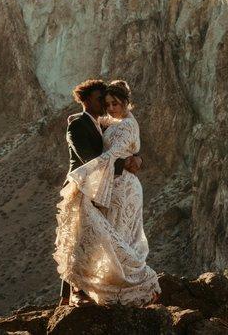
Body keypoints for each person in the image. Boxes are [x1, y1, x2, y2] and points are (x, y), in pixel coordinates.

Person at [53, 79, 161, 307]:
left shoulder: (101, 124)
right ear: (86, 101)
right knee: (79, 240)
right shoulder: (78, 124)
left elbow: (125, 141)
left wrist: (137, 158)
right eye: (100, 99)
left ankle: (80, 292)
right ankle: (70, 295)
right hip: (84, 187)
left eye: (110, 101)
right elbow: (90, 160)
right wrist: (125, 164)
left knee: (90, 238)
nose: (106, 105)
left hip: (107, 188)